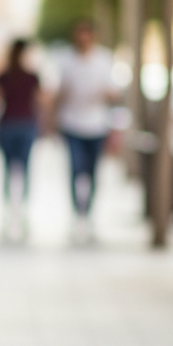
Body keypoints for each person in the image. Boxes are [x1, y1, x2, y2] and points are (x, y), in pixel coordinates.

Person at [55, 18, 116, 239]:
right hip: (72, 124)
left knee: (92, 172)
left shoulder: (104, 59)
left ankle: (88, 213)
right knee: (75, 169)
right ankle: (77, 214)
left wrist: (104, 94)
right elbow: (60, 93)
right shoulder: (66, 61)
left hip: (97, 125)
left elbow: (114, 92)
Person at [0, 39, 41, 239]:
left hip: (8, 125)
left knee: (7, 169)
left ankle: (8, 213)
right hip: (25, 125)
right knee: (25, 168)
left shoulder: (4, 76)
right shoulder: (31, 77)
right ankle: (22, 212)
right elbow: (39, 102)